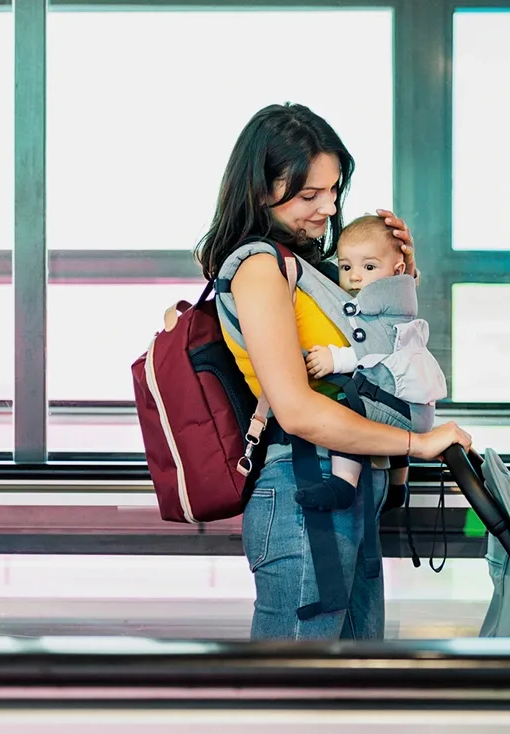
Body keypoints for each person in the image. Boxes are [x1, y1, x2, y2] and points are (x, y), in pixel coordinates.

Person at [196, 102, 473, 641]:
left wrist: (397, 275)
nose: (327, 207)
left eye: (334, 190)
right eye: (308, 195)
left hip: (342, 487)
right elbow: (297, 409)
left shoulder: (309, 270)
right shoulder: (258, 268)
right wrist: (417, 445)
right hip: (304, 488)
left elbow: (386, 350)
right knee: (293, 692)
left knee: (349, 683)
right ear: (259, 190)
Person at [304, 213, 448, 515]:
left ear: (396, 270)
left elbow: (376, 346)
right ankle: (397, 486)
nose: (355, 276)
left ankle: (343, 482)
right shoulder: (400, 295)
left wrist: (336, 358)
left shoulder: (381, 299)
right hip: (413, 403)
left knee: (347, 408)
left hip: (406, 406)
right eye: (346, 267)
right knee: (385, 426)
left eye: (368, 267)